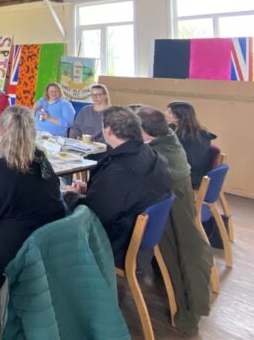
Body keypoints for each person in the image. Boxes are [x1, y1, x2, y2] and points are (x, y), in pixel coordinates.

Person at [0, 106, 65, 284]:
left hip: (12, 259)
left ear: (0, 131)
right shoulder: (43, 164)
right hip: (45, 252)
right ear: (33, 132)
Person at [133, 106, 212, 336]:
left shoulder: (157, 157)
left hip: (171, 215)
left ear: (145, 131)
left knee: (181, 251)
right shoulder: (170, 138)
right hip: (180, 203)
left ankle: (190, 308)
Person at [63, 106, 172, 264]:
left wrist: (71, 195)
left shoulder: (119, 169)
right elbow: (125, 193)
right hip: (138, 234)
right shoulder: (152, 155)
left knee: (54, 219)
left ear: (108, 131)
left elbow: (94, 213)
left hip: (116, 241)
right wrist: (92, 190)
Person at [166, 102, 217, 189]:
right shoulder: (172, 128)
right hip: (179, 169)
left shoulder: (196, 137)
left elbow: (192, 162)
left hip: (191, 175)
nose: (165, 113)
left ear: (181, 115)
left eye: (170, 112)